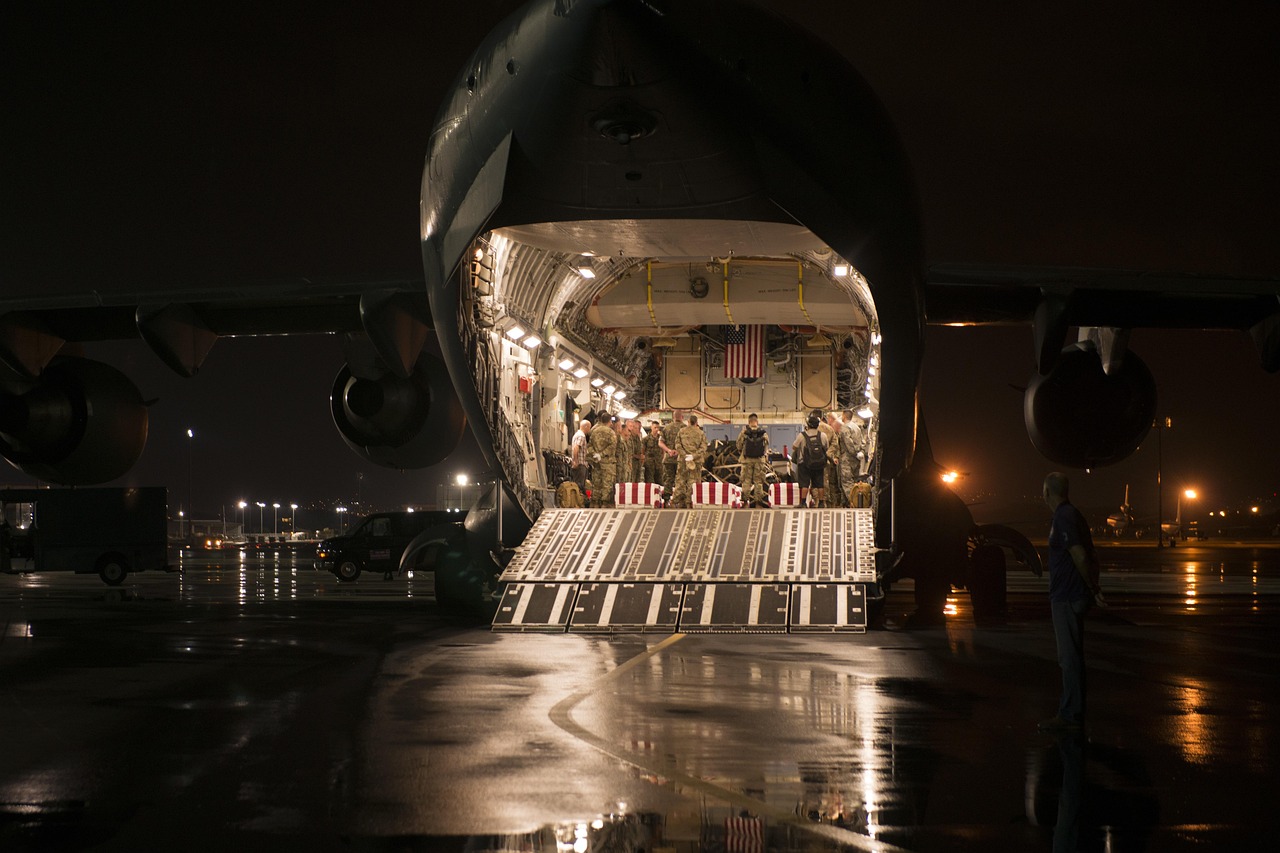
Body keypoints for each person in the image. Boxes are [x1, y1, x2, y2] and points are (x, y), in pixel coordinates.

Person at [1039, 471, 1101, 733]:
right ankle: (1073, 711)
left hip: (1067, 596)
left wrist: (1090, 587)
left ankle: (1070, 714)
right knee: (1072, 657)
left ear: (1046, 493)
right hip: (1071, 594)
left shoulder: (1064, 517)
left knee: (1069, 659)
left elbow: (1079, 554)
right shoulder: (1072, 515)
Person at [672, 413, 707, 509]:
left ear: (688, 422)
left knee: (680, 481)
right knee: (693, 482)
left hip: (683, 460)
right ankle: (689, 502)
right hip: (696, 462)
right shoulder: (700, 433)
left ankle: (676, 502)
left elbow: (677, 445)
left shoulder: (681, 431)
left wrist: (684, 455)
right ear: (696, 423)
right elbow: (703, 448)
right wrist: (693, 456)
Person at [792, 414, 829, 507]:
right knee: (820, 484)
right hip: (819, 463)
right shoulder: (823, 435)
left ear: (808, 424)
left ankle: (803, 503)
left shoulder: (802, 435)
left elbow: (794, 447)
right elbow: (826, 447)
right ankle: (821, 503)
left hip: (804, 463)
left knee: (805, 484)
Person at [735, 414, 770, 507]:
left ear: (749, 422)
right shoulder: (763, 433)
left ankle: (745, 502)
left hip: (747, 461)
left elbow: (738, 445)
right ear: (757, 422)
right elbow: (766, 447)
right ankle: (758, 502)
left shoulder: (744, 432)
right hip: (759, 461)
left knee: (746, 481)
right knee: (758, 481)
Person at [587, 415, 619, 507]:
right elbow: (612, 446)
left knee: (596, 484)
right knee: (607, 485)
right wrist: (602, 454)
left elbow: (589, 446)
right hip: (608, 464)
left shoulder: (594, 431)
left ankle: (595, 505)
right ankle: (605, 505)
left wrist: (595, 455)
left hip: (597, 463)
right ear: (609, 421)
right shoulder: (611, 432)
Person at [838, 409, 868, 505]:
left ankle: (853, 502)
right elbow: (863, 441)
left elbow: (848, 443)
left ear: (844, 416)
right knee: (855, 482)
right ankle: (859, 501)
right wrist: (861, 452)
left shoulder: (845, 428)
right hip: (857, 459)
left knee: (847, 482)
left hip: (847, 459)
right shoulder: (857, 428)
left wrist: (854, 452)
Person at [660, 410, 685, 504]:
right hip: (681, 459)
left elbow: (660, 442)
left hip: (668, 459)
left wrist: (669, 450)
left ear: (673, 417)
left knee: (668, 479)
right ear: (682, 417)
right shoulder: (685, 428)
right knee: (681, 479)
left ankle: (666, 500)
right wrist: (679, 452)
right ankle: (679, 501)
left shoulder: (666, 428)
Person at [824, 412, 846, 507]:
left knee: (833, 482)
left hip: (832, 460)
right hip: (832, 460)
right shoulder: (831, 430)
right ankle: (834, 502)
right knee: (833, 482)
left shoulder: (832, 429)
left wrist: (833, 457)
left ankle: (834, 502)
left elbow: (836, 446)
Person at [570, 417, 592, 493]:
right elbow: (576, 448)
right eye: (589, 427)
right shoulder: (581, 436)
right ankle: (577, 501)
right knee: (579, 485)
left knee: (578, 484)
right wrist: (576, 461)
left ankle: (577, 500)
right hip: (580, 464)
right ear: (586, 427)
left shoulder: (577, 434)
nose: (590, 430)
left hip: (580, 464)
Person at [642, 419, 663, 484]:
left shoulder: (661, 438)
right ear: (651, 427)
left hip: (659, 463)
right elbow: (643, 450)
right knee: (649, 482)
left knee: (659, 481)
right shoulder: (646, 439)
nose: (656, 429)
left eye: (658, 428)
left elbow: (663, 450)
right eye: (655, 427)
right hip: (649, 463)